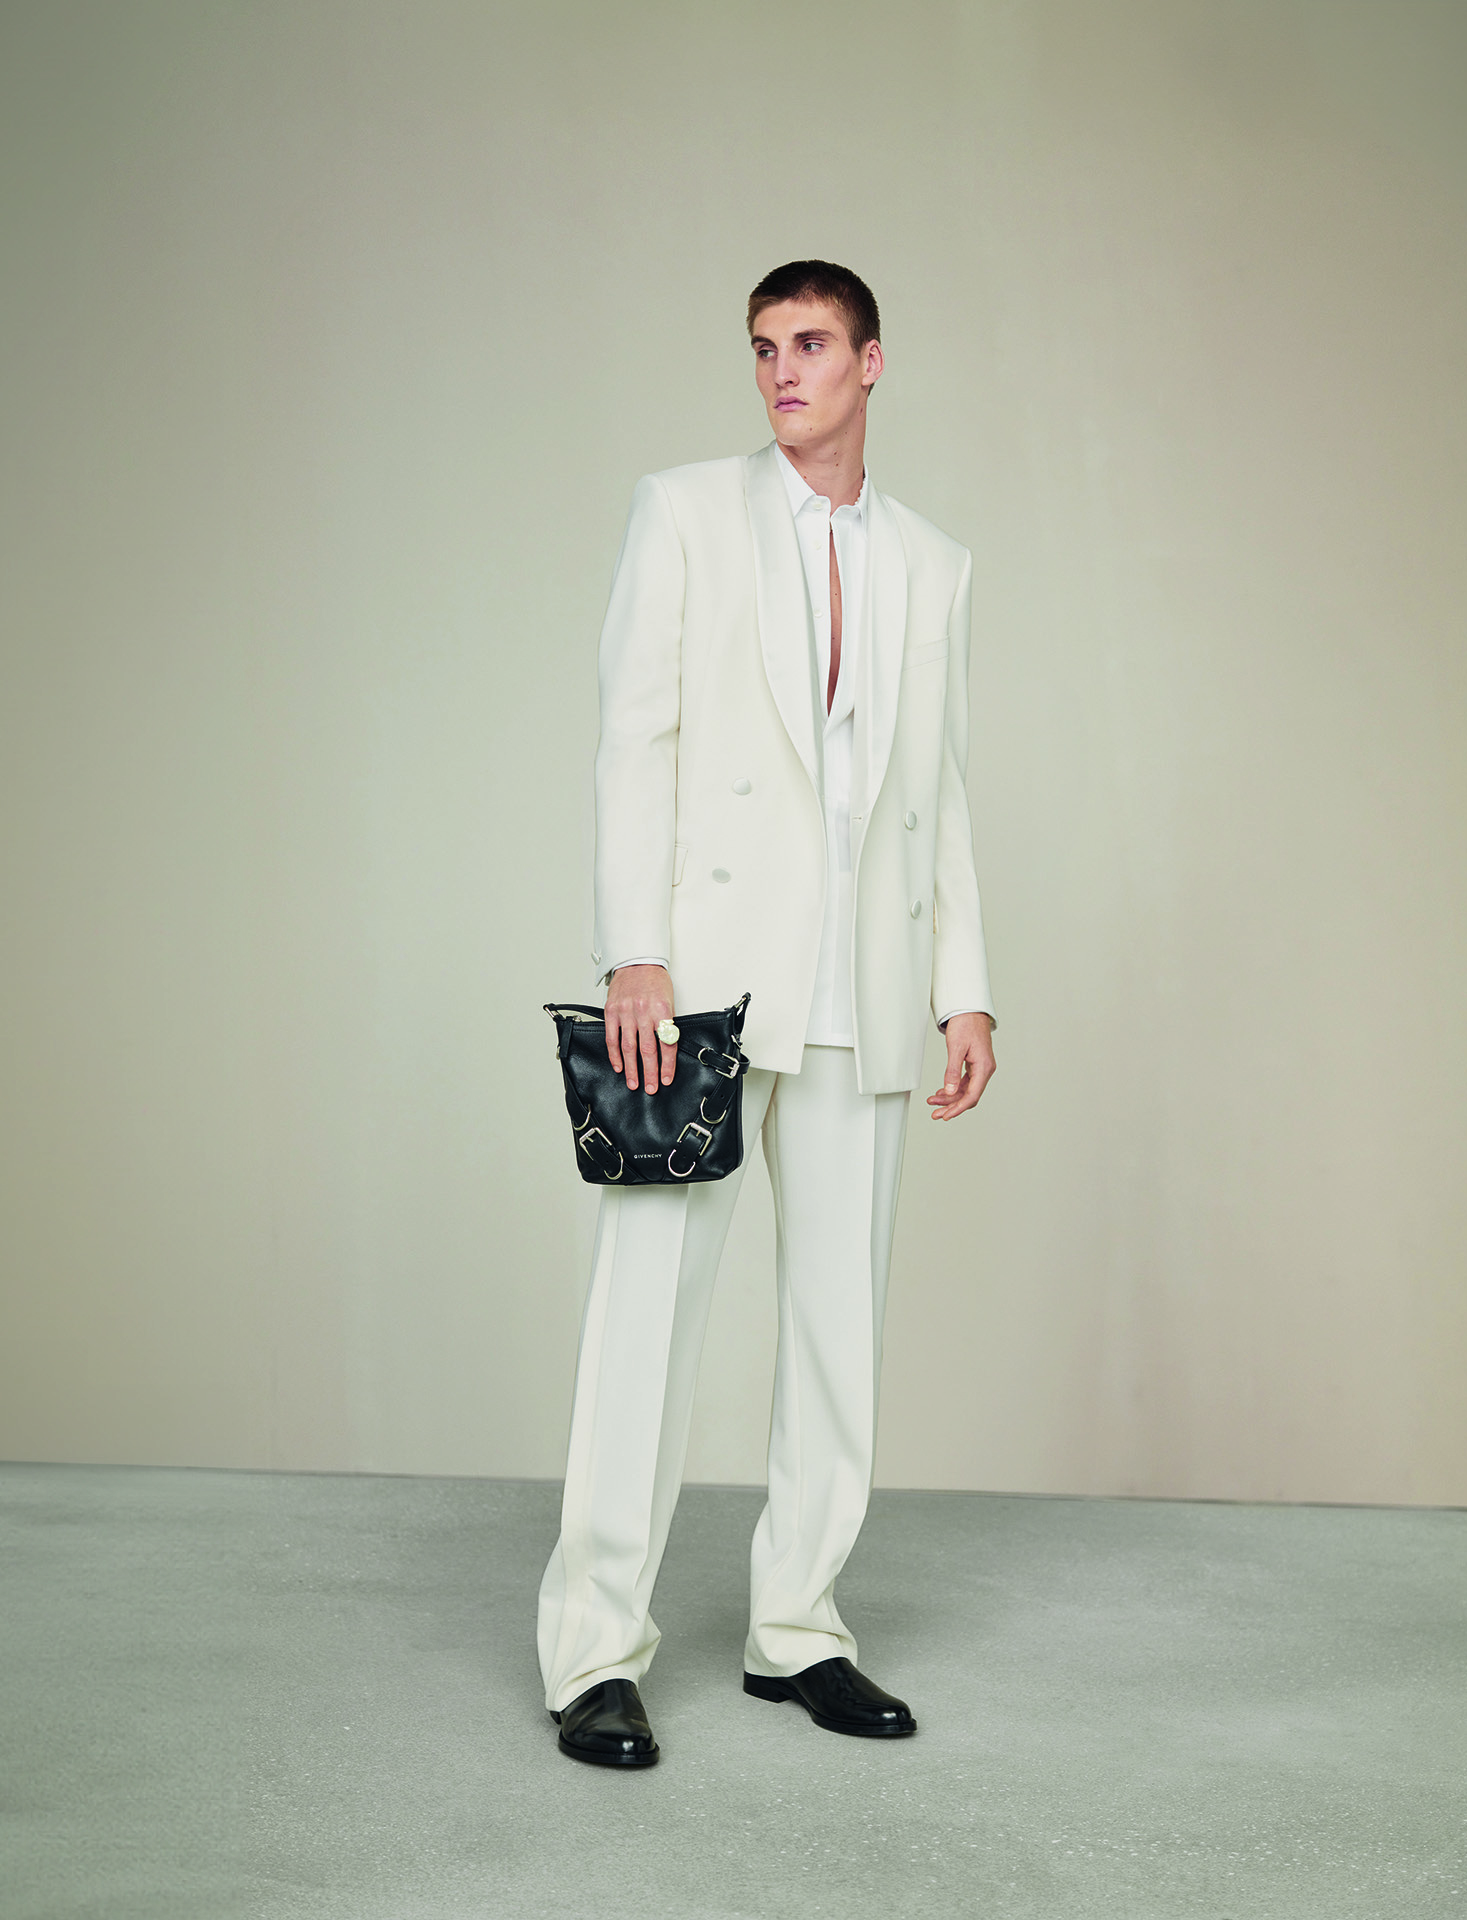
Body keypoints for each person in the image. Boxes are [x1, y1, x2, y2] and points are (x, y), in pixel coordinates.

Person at [539, 260, 996, 1767]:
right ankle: (592, 1651)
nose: (781, 370)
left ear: (872, 362)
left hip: (866, 978)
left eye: (809, 344)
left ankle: (799, 1628)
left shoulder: (933, 560)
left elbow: (938, 790)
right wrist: (635, 953)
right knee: (646, 1321)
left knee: (838, 1328)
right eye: (761, 348)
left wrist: (964, 989)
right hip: (706, 983)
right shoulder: (683, 512)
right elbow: (634, 738)